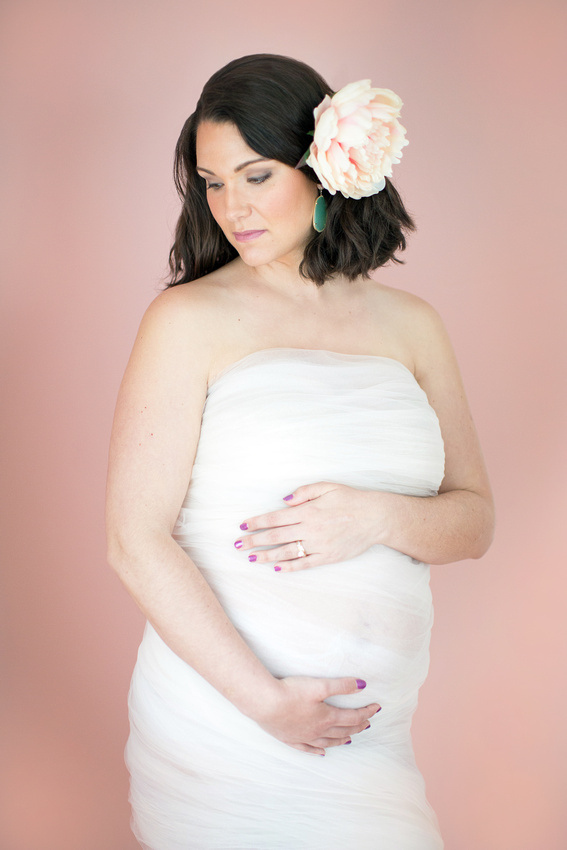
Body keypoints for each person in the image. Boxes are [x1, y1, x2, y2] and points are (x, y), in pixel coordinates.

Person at [105, 53, 494, 850]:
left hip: (371, 737)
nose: (230, 207)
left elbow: (473, 521)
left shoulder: (411, 324)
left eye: (255, 176)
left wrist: (375, 516)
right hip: (228, 721)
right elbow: (133, 541)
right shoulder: (186, 321)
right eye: (211, 182)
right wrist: (266, 703)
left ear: (323, 168)